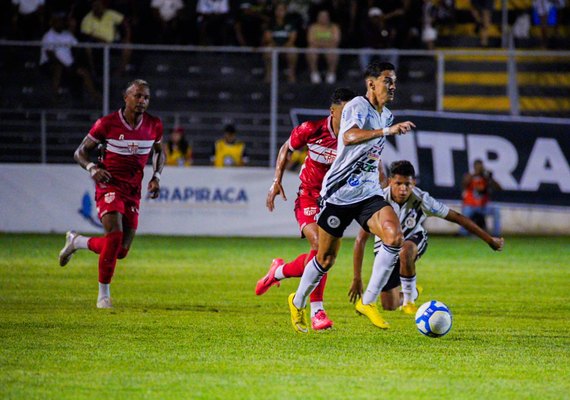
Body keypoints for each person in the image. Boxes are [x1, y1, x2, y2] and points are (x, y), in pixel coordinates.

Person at [287, 61, 416, 333]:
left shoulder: (387, 114)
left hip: (367, 192)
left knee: (394, 236)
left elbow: (372, 154)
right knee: (325, 260)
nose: (393, 86)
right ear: (371, 83)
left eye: (394, 81)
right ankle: (297, 301)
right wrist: (385, 132)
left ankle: (367, 302)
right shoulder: (357, 105)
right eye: (387, 80)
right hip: (339, 193)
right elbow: (349, 136)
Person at [58, 79, 165, 309]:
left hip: (133, 190)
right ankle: (103, 295)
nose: (142, 101)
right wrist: (93, 168)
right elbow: (80, 152)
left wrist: (156, 176)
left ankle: (77, 241)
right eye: (137, 96)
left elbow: (159, 152)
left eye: (146, 97)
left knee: (121, 251)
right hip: (109, 185)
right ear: (125, 97)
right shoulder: (107, 124)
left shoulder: (154, 125)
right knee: (114, 237)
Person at [256, 88, 356, 331]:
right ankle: (317, 312)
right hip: (309, 197)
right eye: (345, 113)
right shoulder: (312, 129)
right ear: (332, 111)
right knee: (320, 248)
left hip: (335, 202)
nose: (350, 119)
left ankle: (277, 272)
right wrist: (276, 181)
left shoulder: (355, 137)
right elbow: (286, 149)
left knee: (325, 257)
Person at [350, 160, 505, 314]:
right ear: (390, 182)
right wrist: (357, 278)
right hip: (386, 248)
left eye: (407, 184)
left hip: (414, 239)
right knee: (389, 305)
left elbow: (457, 217)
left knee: (406, 250)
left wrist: (489, 240)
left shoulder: (423, 200)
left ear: (414, 183)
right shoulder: (378, 201)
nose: (403, 189)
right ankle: (413, 291)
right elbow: (360, 240)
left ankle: (409, 303)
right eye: (398, 184)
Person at [40, 12, 101, 103]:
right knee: (58, 68)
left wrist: (75, 63)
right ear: (52, 23)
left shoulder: (67, 35)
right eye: (57, 21)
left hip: (69, 65)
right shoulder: (48, 36)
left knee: (83, 71)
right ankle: (55, 95)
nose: (60, 23)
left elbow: (77, 47)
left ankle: (95, 96)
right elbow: (50, 55)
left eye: (61, 21)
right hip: (50, 64)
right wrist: (65, 66)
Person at [460, 159, 502, 236]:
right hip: (470, 205)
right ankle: (463, 233)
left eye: (481, 166)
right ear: (474, 167)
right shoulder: (470, 176)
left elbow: (499, 188)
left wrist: (490, 178)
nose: (479, 168)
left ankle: (496, 234)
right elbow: (464, 184)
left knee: (496, 209)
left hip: (483, 206)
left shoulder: (486, 178)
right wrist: (475, 174)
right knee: (465, 212)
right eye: (477, 166)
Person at [262, 2, 299, 83]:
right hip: (274, 45)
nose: (280, 12)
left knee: (293, 51)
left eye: (282, 10)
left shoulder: (291, 22)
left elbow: (293, 37)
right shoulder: (271, 22)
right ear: (275, 11)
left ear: (286, 11)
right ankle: (269, 74)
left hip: (287, 46)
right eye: (278, 10)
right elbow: (267, 37)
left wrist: (286, 45)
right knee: (268, 50)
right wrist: (275, 45)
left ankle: (291, 74)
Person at [306, 9, 341, 84]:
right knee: (311, 50)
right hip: (316, 48)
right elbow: (311, 41)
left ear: (328, 17)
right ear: (317, 17)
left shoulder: (334, 27)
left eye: (325, 16)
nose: (323, 18)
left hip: (329, 49)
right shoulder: (313, 27)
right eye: (321, 16)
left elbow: (336, 41)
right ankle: (314, 73)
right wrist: (326, 43)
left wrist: (320, 43)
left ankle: (331, 73)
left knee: (334, 51)